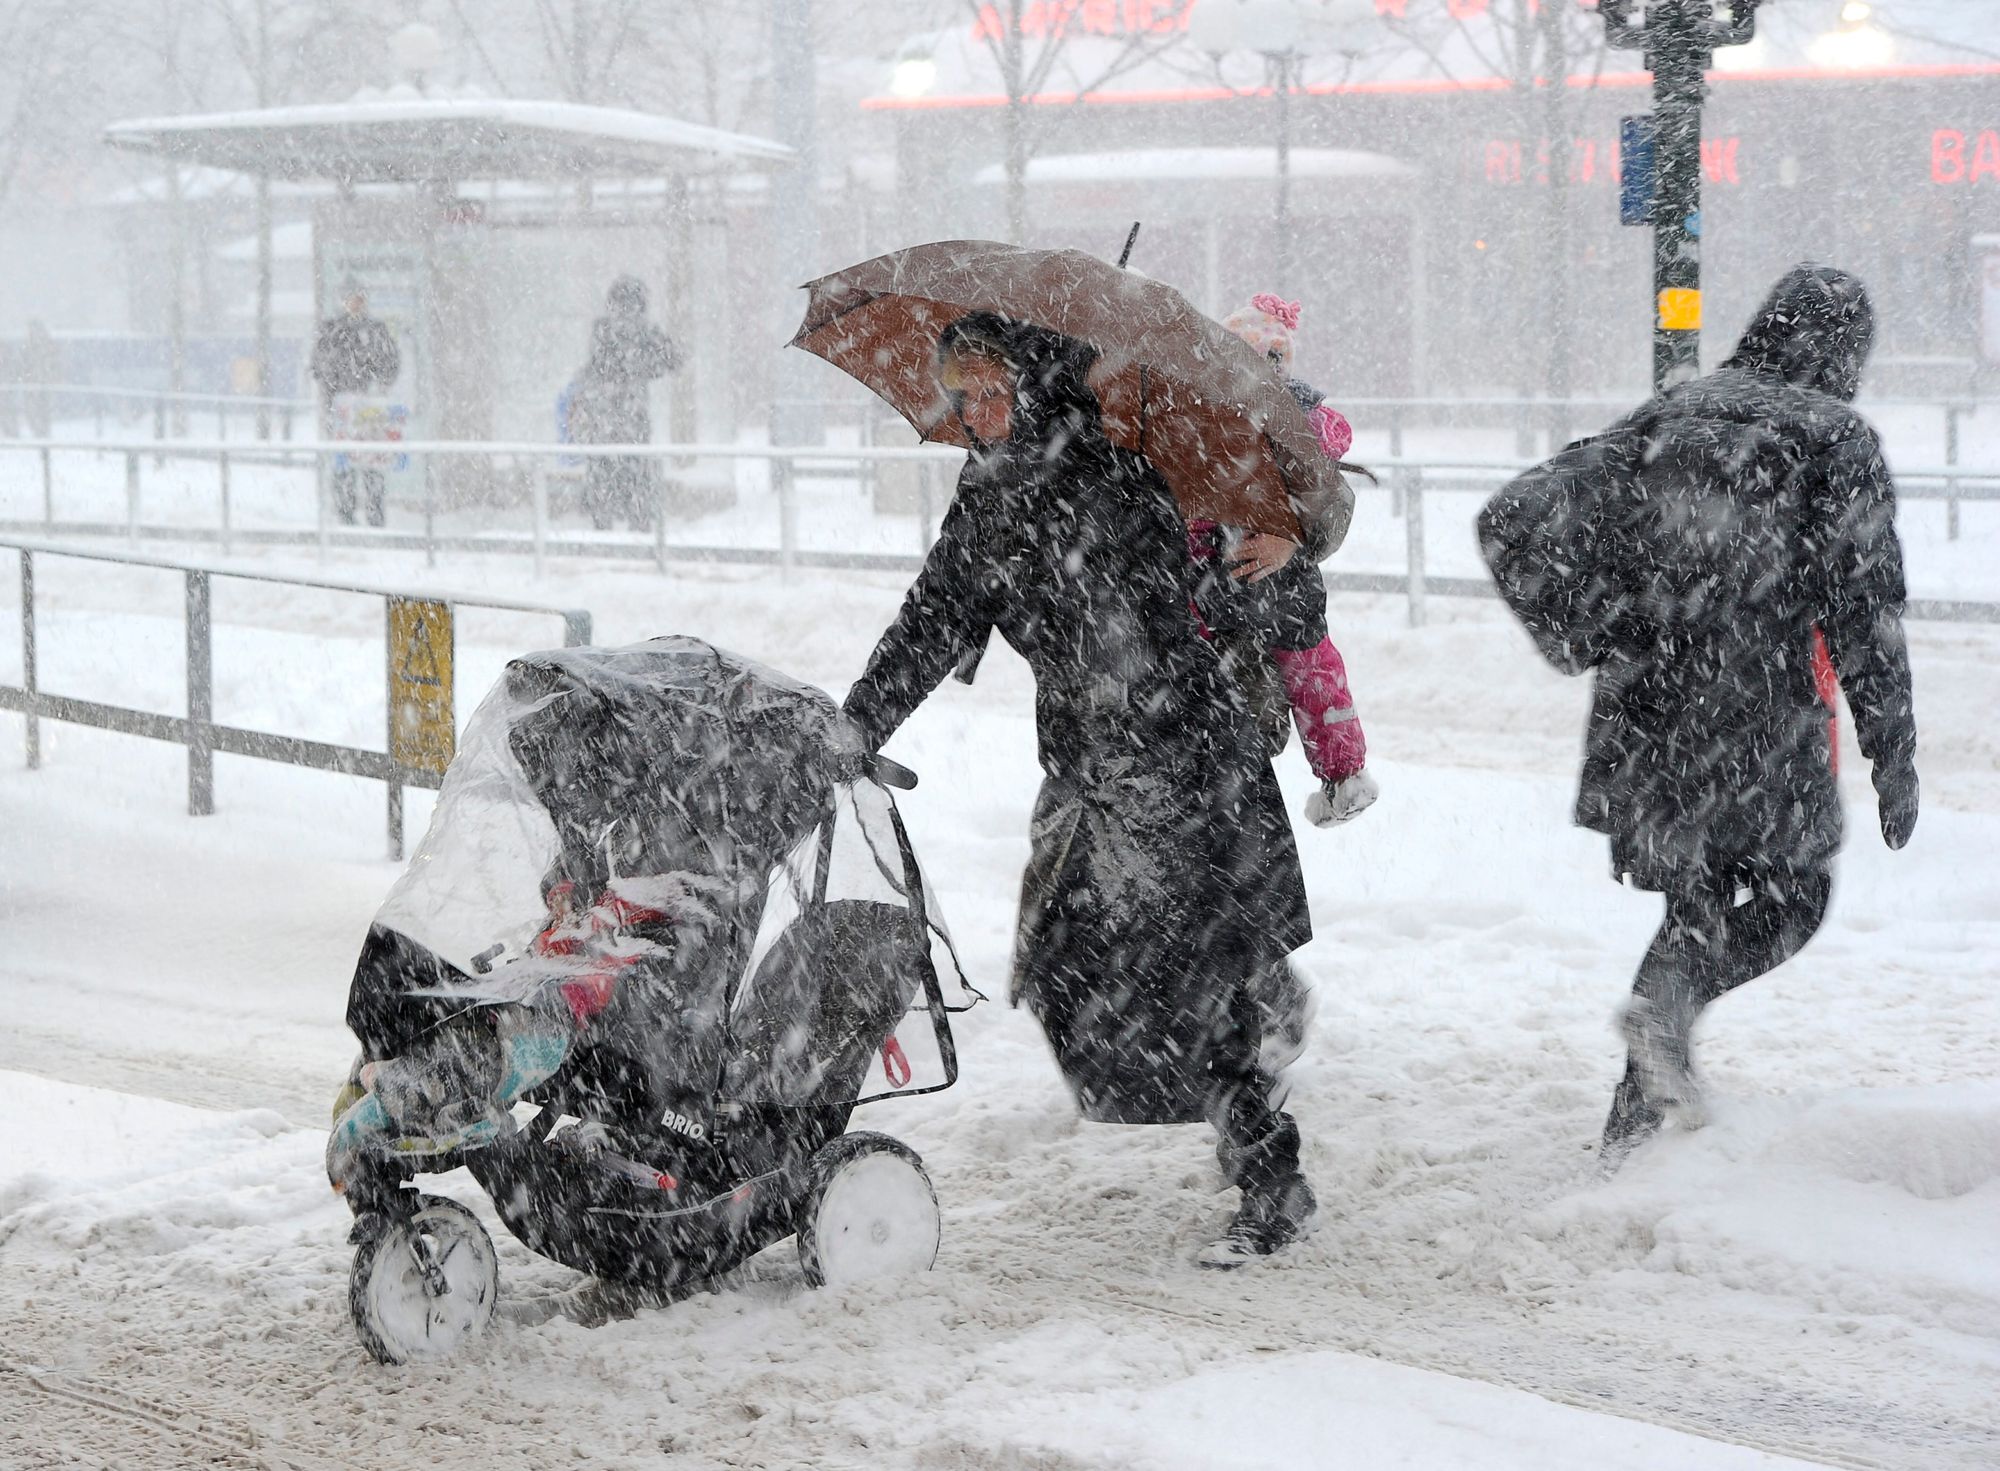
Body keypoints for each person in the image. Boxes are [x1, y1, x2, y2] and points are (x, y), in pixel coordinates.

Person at [841, 312, 1319, 1267]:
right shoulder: (988, 497)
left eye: (988, 388)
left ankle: (1273, 1174)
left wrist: (1277, 555)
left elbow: (1267, 595)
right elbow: (931, 618)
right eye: (960, 394)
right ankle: (1256, 1025)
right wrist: (856, 722)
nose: (974, 412)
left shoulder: (1132, 469)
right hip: (1090, 769)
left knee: (1194, 978)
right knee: (1065, 966)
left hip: (1188, 761)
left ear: (1030, 382)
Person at [1483, 263, 1918, 1165]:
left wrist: (1593, 628)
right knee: (1793, 896)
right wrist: (1893, 756)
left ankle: (1629, 1138)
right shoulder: (1832, 438)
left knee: (1698, 903)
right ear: (1843, 352)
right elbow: (1865, 613)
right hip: (1755, 709)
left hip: (1645, 710)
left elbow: (1512, 513)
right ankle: (1665, 1012)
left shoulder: (1666, 412)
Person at [569, 276, 679, 531]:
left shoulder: (604, 329)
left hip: (607, 419)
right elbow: (673, 358)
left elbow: (597, 367)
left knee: (605, 469)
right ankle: (636, 523)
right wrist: (644, 370)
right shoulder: (644, 331)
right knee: (635, 470)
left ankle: (605, 523)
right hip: (631, 418)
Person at [312, 287, 401, 527]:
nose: (355, 304)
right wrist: (335, 390)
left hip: (369, 412)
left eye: (359, 299)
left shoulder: (376, 331)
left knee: (372, 463)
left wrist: (379, 386)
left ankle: (375, 517)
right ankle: (346, 516)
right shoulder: (332, 330)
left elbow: (390, 364)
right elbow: (318, 367)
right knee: (344, 464)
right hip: (341, 410)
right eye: (350, 299)